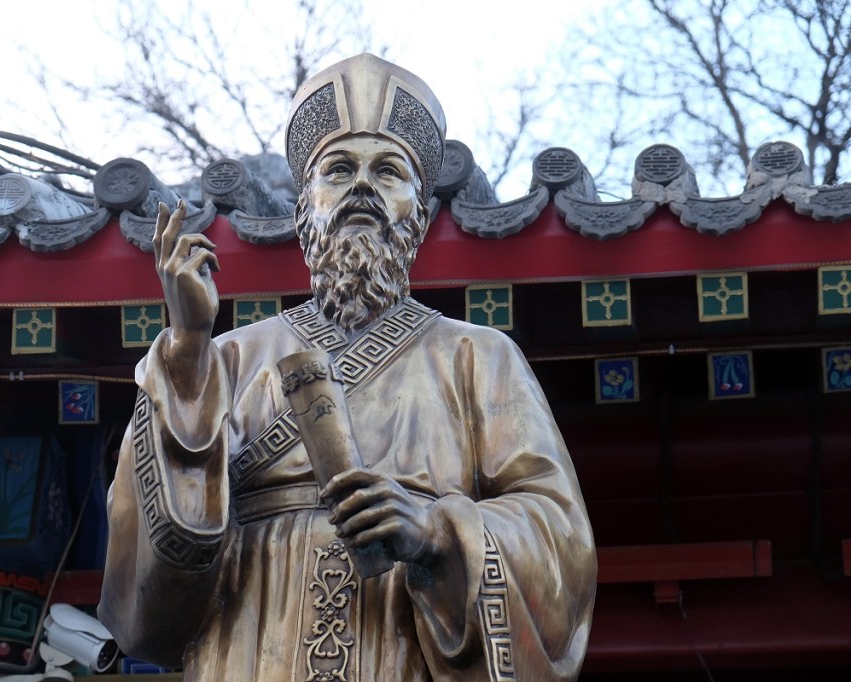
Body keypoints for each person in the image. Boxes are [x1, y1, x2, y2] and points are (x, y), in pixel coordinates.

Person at [99, 54, 596, 681]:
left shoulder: (479, 356)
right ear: (306, 204)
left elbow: (562, 541)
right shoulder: (227, 356)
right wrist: (189, 347)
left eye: (388, 172)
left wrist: (437, 532)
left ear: (419, 208)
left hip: (400, 644)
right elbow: (149, 583)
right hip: (250, 645)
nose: (362, 186)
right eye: (338, 169)